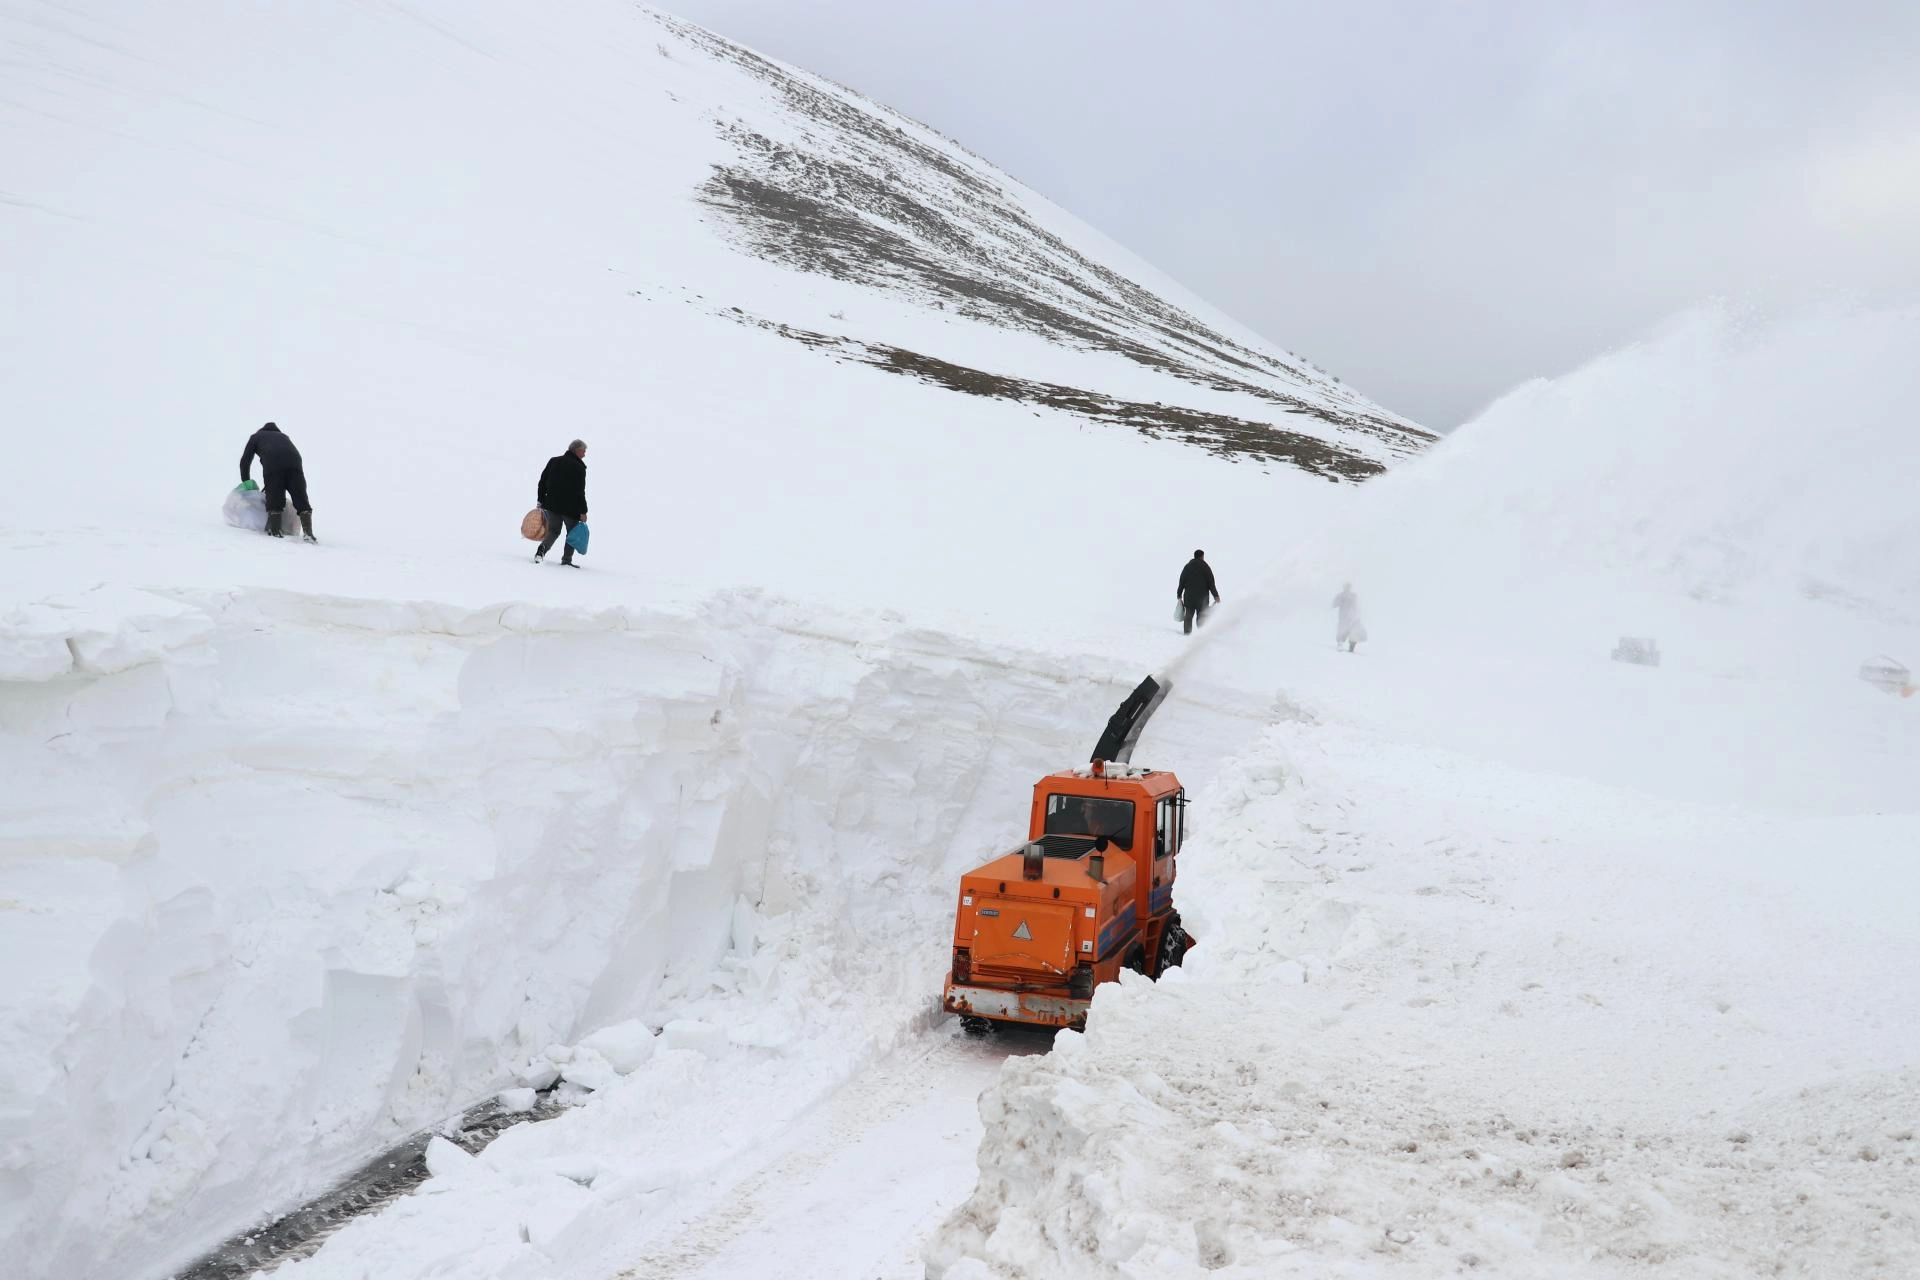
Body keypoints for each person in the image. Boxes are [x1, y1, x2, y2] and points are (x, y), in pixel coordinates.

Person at [239, 422, 315, 541]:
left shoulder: (256, 437)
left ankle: (275, 531)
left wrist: (246, 482)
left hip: (273, 463)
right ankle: (308, 534)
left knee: (274, 496)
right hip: (295, 463)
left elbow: (245, 460)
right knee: (300, 496)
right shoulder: (284, 436)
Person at [535, 439, 589, 566]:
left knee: (553, 531)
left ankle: (542, 550)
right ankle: (566, 561)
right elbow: (579, 491)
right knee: (572, 534)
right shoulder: (579, 468)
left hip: (552, 505)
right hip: (571, 508)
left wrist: (541, 500)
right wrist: (583, 511)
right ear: (576, 450)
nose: (584, 455)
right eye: (583, 451)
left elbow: (542, 482)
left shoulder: (554, 461)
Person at [1176, 549, 1219, 634]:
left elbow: (1182, 581)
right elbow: (1211, 583)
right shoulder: (1205, 567)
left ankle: (1187, 634)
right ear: (1202, 556)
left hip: (1189, 597)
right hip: (1202, 598)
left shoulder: (1187, 567)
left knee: (1188, 615)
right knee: (1201, 616)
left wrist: (1179, 594)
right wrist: (1216, 595)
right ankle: (1201, 635)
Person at [1333, 582, 1366, 652]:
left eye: (1348, 587)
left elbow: (1358, 606)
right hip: (1343, 618)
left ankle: (1351, 648)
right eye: (1346, 587)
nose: (1347, 588)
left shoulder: (1353, 596)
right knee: (1341, 632)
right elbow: (1334, 604)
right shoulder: (1341, 596)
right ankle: (1340, 645)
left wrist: (1357, 616)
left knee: (1353, 633)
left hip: (1352, 618)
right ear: (1344, 587)